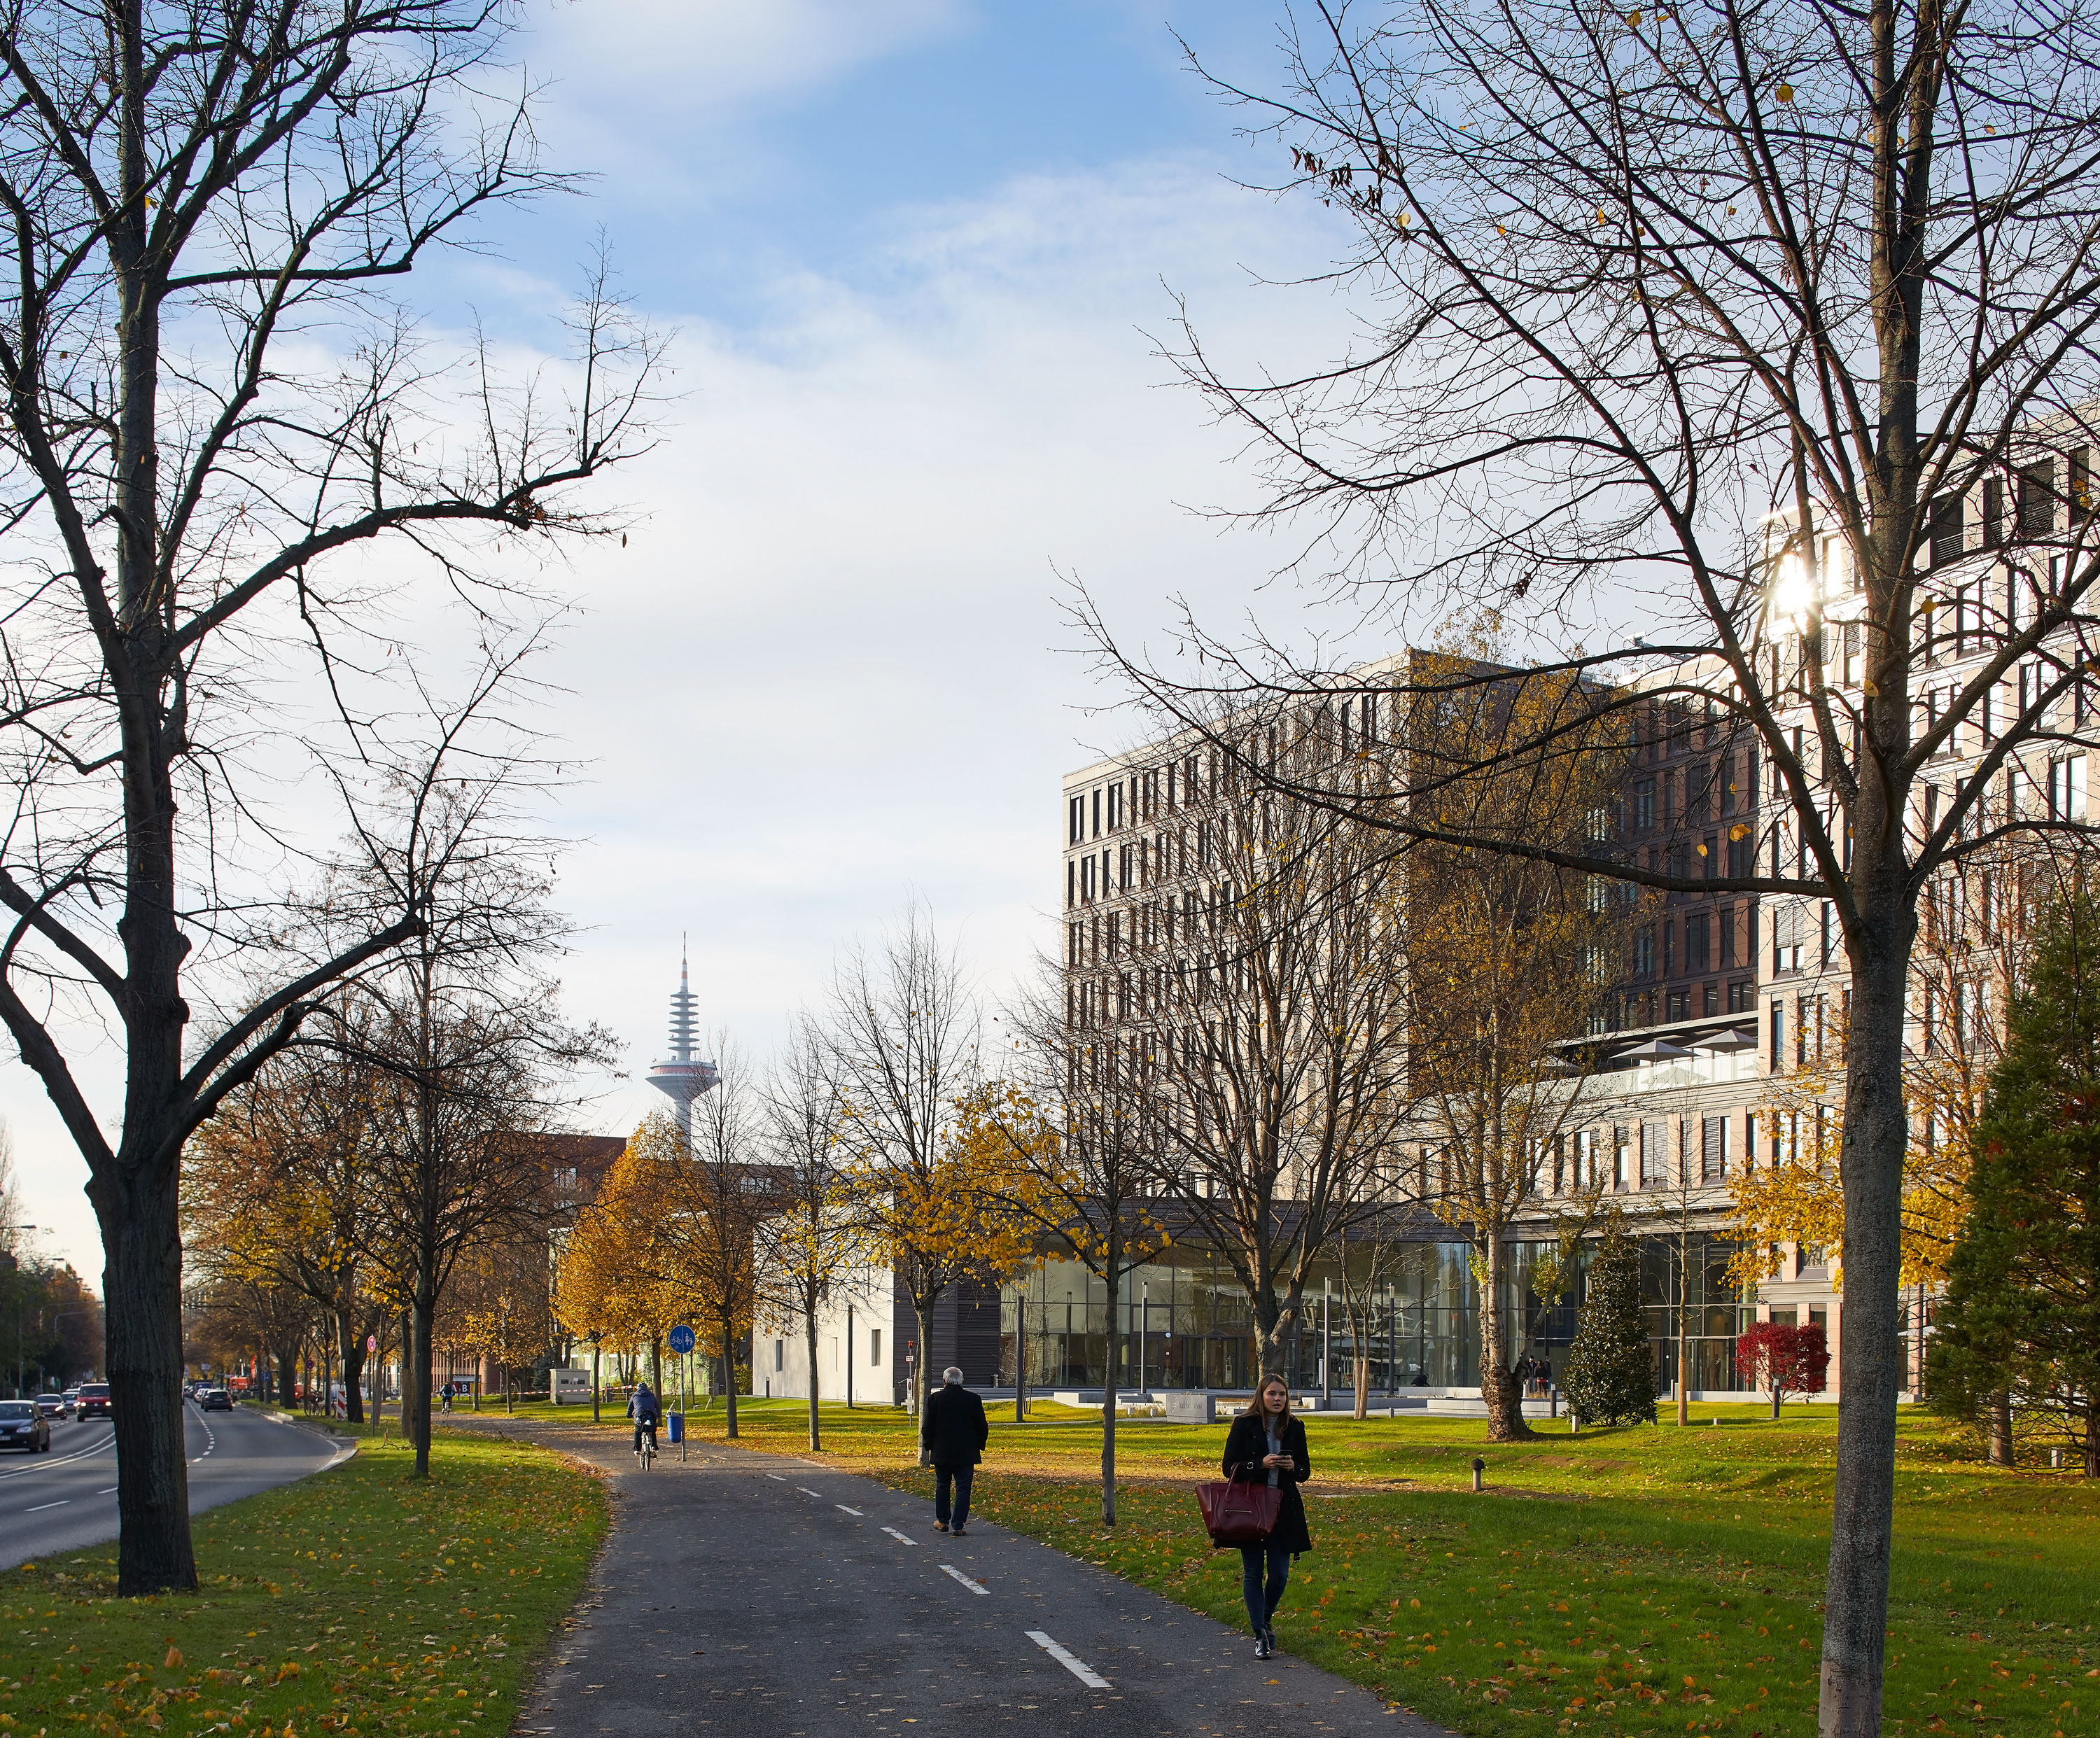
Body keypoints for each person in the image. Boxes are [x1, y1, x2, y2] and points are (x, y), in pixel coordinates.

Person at [1220, 1374, 1312, 1660]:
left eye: (1282, 1395)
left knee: (1280, 1574)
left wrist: (1292, 1465)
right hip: (1251, 1508)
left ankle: (1266, 1616)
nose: (1277, 1399)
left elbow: (1305, 1472)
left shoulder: (1295, 1427)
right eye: (1272, 1394)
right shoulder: (1244, 1425)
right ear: (1261, 1396)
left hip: (1284, 1510)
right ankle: (1260, 1632)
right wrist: (1258, 1464)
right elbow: (1228, 1467)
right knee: (1253, 1573)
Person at [919, 1366, 988, 1536]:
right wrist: (979, 1445)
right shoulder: (973, 1399)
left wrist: (929, 1447)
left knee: (943, 1485)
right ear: (961, 1381)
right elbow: (982, 1427)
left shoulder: (935, 1399)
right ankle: (958, 1525)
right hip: (966, 1453)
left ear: (944, 1381)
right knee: (963, 1488)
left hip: (942, 1452)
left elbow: (927, 1428)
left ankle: (942, 1521)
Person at [627, 1380, 660, 1455]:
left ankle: (637, 1449)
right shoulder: (652, 1395)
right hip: (651, 1415)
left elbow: (630, 1408)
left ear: (637, 1388)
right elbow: (657, 1406)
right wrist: (658, 1415)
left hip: (640, 1416)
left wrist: (629, 1415)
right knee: (652, 1431)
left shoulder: (635, 1396)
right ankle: (653, 1447)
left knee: (638, 1432)